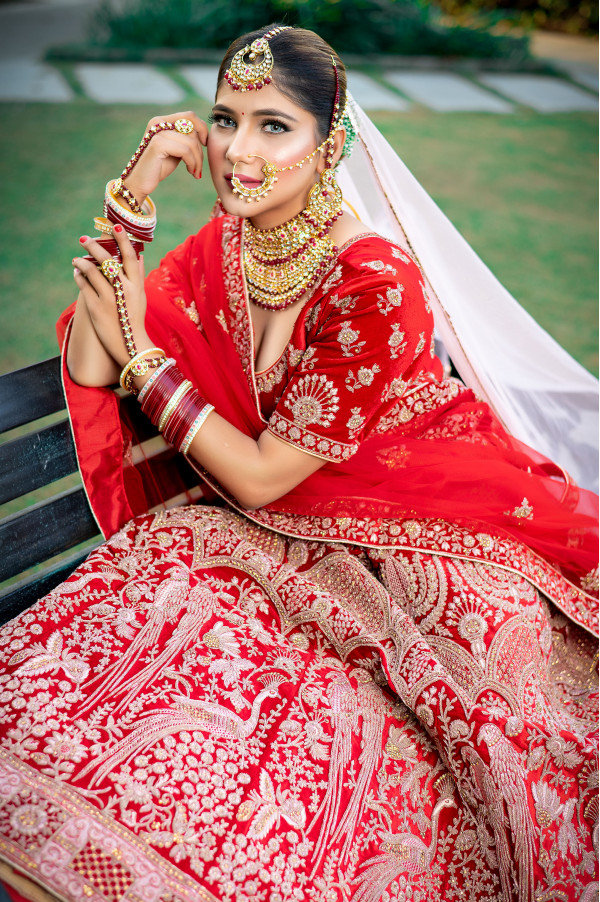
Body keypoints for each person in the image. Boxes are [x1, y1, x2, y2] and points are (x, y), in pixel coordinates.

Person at [0, 23, 597, 902]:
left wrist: (144, 358)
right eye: (223, 119)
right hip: (278, 520)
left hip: (417, 525)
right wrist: (135, 193)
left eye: (274, 126)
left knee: (492, 732)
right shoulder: (229, 246)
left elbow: (260, 474)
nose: (239, 152)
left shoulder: (373, 279)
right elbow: (96, 362)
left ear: (333, 143)